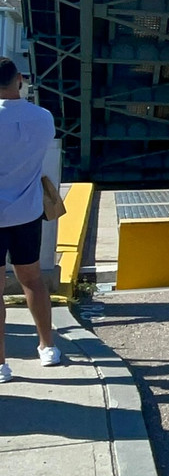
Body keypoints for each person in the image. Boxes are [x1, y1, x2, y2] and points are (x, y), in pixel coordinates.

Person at [0, 57, 60, 382]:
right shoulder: (43, 118)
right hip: (27, 213)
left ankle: (1, 365)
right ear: (19, 79)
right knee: (33, 280)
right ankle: (47, 347)